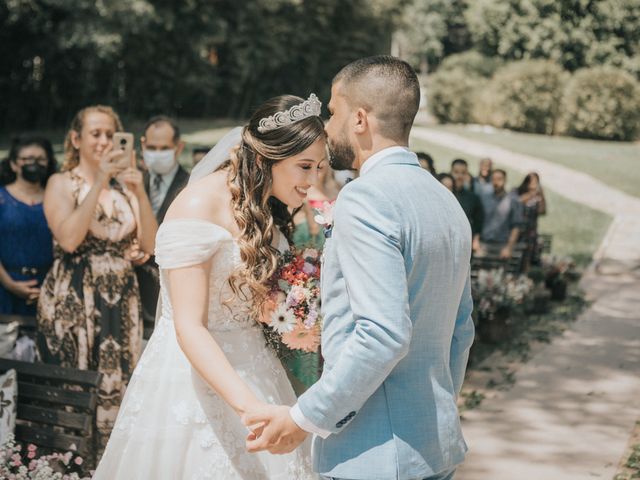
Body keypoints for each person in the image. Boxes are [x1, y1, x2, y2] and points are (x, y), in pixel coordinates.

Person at [245, 56, 475, 480]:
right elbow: (462, 329)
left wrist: (304, 418)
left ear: (360, 119)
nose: (327, 127)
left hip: (373, 456)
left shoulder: (365, 199)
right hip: (434, 445)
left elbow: (383, 335)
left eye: (333, 112)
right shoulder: (446, 202)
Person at [93, 94, 326, 479]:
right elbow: (189, 326)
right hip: (194, 379)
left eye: (319, 167)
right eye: (304, 166)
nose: (312, 179)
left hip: (256, 366)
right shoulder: (197, 205)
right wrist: (249, 409)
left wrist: (287, 305)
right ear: (267, 157)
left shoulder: (264, 208)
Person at [37, 105, 158, 451]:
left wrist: (139, 192)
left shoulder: (125, 188)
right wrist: (99, 181)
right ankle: (70, 463)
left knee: (119, 382)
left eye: (110, 134)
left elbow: (151, 245)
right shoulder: (61, 183)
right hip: (73, 301)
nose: (104, 141)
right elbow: (70, 239)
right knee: (77, 384)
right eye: (96, 134)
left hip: (121, 302)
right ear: (76, 140)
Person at [136, 116, 190, 337]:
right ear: (142, 145)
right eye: (151, 148)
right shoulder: (134, 181)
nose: (157, 154)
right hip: (135, 296)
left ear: (178, 148)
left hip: (171, 295)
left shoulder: (191, 185)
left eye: (164, 148)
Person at [0, 136, 56, 316]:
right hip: (5, 289)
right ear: (14, 164)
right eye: (28, 159)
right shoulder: (1, 198)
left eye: (41, 159)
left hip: (50, 290)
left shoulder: (57, 198)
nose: (34, 164)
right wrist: (9, 284)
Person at [479, 169, 523, 259]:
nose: (496, 182)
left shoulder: (513, 200)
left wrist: (509, 247)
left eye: (499, 179)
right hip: (483, 244)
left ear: (505, 180)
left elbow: (516, 226)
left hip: (502, 245)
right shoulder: (483, 198)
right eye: (494, 179)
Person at [451, 159, 484, 253]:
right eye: (456, 172)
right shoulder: (442, 194)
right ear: (451, 172)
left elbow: (478, 221)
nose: (459, 176)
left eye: (463, 173)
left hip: (464, 245)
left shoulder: (473, 198)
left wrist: (476, 240)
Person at [515, 172, 546, 266]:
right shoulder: (518, 191)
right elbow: (518, 202)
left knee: (529, 253)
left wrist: (541, 196)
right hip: (519, 228)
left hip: (531, 229)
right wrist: (532, 194)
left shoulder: (538, 196)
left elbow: (542, 211)